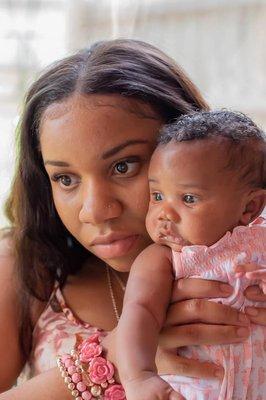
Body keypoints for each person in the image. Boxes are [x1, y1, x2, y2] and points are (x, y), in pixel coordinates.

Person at [0, 39, 265, 399]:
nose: (94, 210)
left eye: (124, 166)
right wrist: (113, 357)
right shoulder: (26, 264)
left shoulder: (249, 256)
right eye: (66, 179)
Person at [117, 110, 266, 400]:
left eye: (188, 198)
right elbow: (139, 313)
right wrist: (140, 377)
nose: (164, 214)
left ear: (249, 207)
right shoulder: (161, 260)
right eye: (157, 196)